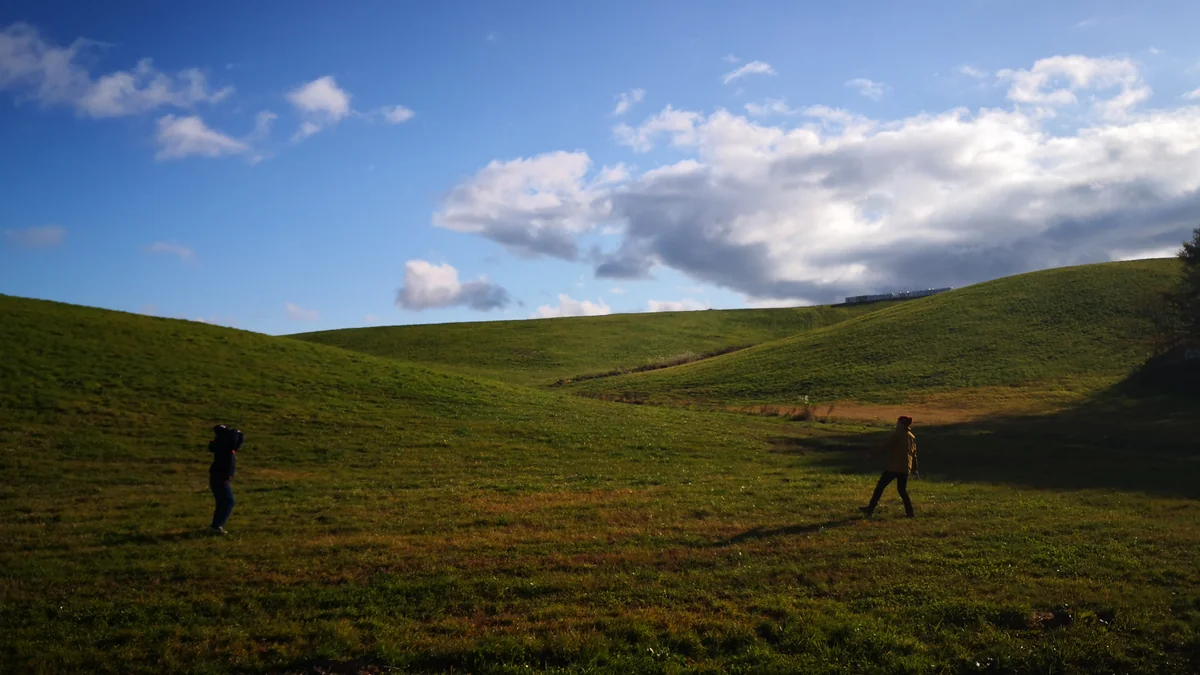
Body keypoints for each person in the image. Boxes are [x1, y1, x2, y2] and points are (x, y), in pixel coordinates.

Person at [859, 415, 919, 518]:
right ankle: (910, 513)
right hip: (905, 468)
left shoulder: (898, 434)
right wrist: (914, 470)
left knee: (880, 487)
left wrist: (872, 455)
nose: (896, 424)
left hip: (894, 467)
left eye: (898, 422)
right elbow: (914, 455)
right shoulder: (912, 437)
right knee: (902, 490)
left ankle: (870, 508)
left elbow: (885, 446)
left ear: (901, 424)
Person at [207, 424, 242, 535]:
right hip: (220, 478)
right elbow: (234, 443)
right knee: (228, 501)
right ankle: (216, 526)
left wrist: (238, 434)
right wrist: (237, 432)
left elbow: (236, 444)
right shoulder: (225, 444)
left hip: (218, 477)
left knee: (223, 502)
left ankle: (216, 525)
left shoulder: (221, 443)